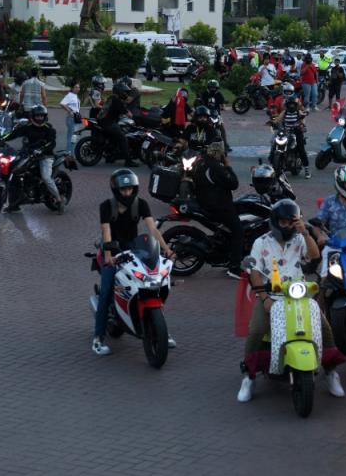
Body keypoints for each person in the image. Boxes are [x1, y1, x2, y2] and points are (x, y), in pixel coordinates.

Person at [238, 198, 344, 402]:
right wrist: (265, 298)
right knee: (257, 330)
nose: (289, 226)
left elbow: (314, 257)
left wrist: (305, 231)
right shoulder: (261, 242)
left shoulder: (299, 238)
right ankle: (248, 376)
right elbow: (255, 273)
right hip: (270, 294)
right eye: (285, 222)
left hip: (298, 294)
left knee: (324, 327)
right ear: (276, 222)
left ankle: (331, 372)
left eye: (293, 221)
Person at [93, 169, 175, 355]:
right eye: (123, 190)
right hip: (113, 251)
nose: (127, 193)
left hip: (134, 249)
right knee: (106, 292)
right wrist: (108, 256)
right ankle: (98, 338)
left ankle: (159, 328)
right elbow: (106, 231)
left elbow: (153, 230)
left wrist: (167, 250)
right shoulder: (106, 206)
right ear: (116, 190)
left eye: (130, 189)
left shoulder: (141, 204)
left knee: (153, 284)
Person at [193, 142, 244, 277]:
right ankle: (234, 267)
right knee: (239, 231)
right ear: (220, 154)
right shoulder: (216, 167)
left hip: (203, 203)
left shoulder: (201, 163)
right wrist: (228, 166)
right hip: (218, 206)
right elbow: (234, 184)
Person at [0, 105, 65, 212]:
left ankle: (58, 200)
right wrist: (1, 139)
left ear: (45, 116)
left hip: (45, 156)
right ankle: (14, 203)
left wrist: (42, 149)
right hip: (28, 155)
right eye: (37, 116)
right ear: (32, 116)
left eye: (41, 116)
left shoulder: (49, 128)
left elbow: (52, 143)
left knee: (46, 177)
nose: (39, 118)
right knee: (14, 171)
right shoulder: (28, 127)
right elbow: (13, 134)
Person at [100, 81, 138, 167]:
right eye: (124, 92)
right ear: (120, 92)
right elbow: (127, 113)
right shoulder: (118, 101)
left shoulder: (111, 98)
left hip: (102, 122)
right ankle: (128, 161)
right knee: (123, 138)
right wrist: (134, 117)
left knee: (114, 138)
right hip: (109, 123)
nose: (125, 94)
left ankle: (110, 157)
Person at [274, 95, 311, 179]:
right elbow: (278, 119)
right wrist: (273, 123)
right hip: (285, 132)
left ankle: (307, 170)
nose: (291, 106)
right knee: (275, 144)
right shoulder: (284, 112)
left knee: (301, 149)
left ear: (296, 105)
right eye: (290, 104)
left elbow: (303, 120)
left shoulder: (298, 112)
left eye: (293, 104)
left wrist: (302, 124)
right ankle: (273, 165)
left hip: (296, 133)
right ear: (286, 105)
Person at [58, 81, 82, 149]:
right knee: (71, 137)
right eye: (76, 87)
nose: (78, 89)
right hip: (71, 119)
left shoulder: (75, 95)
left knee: (74, 137)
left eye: (79, 87)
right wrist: (70, 111)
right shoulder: (70, 95)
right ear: (72, 88)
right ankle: (69, 154)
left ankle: (71, 154)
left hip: (75, 118)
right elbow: (62, 103)